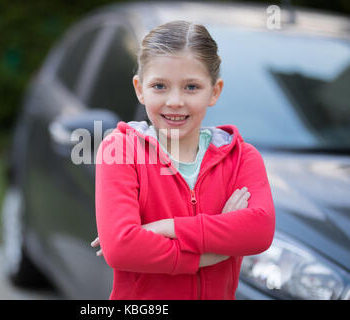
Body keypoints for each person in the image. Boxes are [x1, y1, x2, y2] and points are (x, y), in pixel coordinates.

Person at [91, 20, 275, 300]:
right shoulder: (120, 151)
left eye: (191, 87)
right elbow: (120, 248)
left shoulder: (241, 158)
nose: (175, 101)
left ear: (214, 91)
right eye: (160, 86)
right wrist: (210, 251)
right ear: (140, 89)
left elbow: (259, 232)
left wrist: (167, 228)